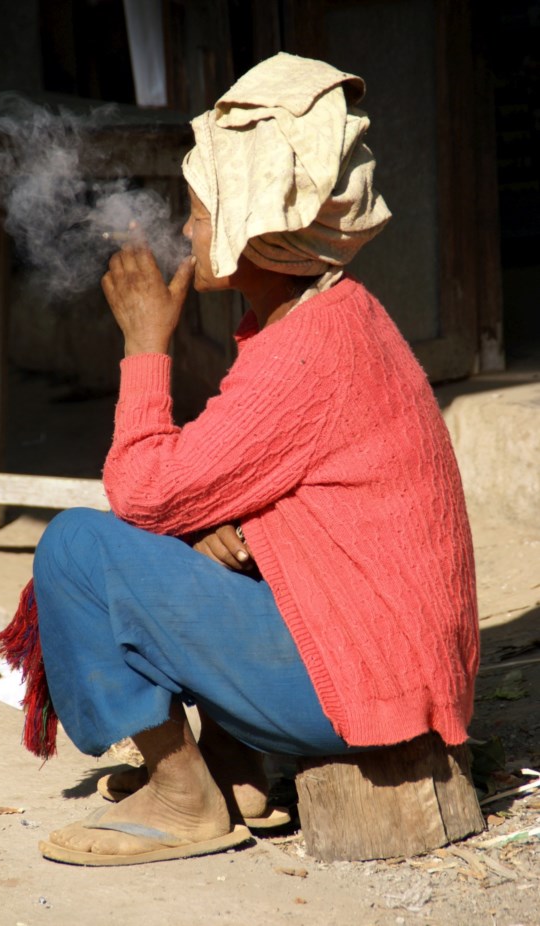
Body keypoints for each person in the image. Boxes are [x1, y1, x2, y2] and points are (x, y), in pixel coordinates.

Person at [28, 52, 479, 866]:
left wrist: (145, 348)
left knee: (76, 548)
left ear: (254, 228)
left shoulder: (305, 352)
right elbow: (230, 488)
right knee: (200, 528)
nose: (187, 232)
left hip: (359, 684)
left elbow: (143, 491)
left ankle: (185, 797)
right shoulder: (335, 316)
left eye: (202, 213)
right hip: (385, 664)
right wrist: (212, 523)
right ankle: (236, 768)